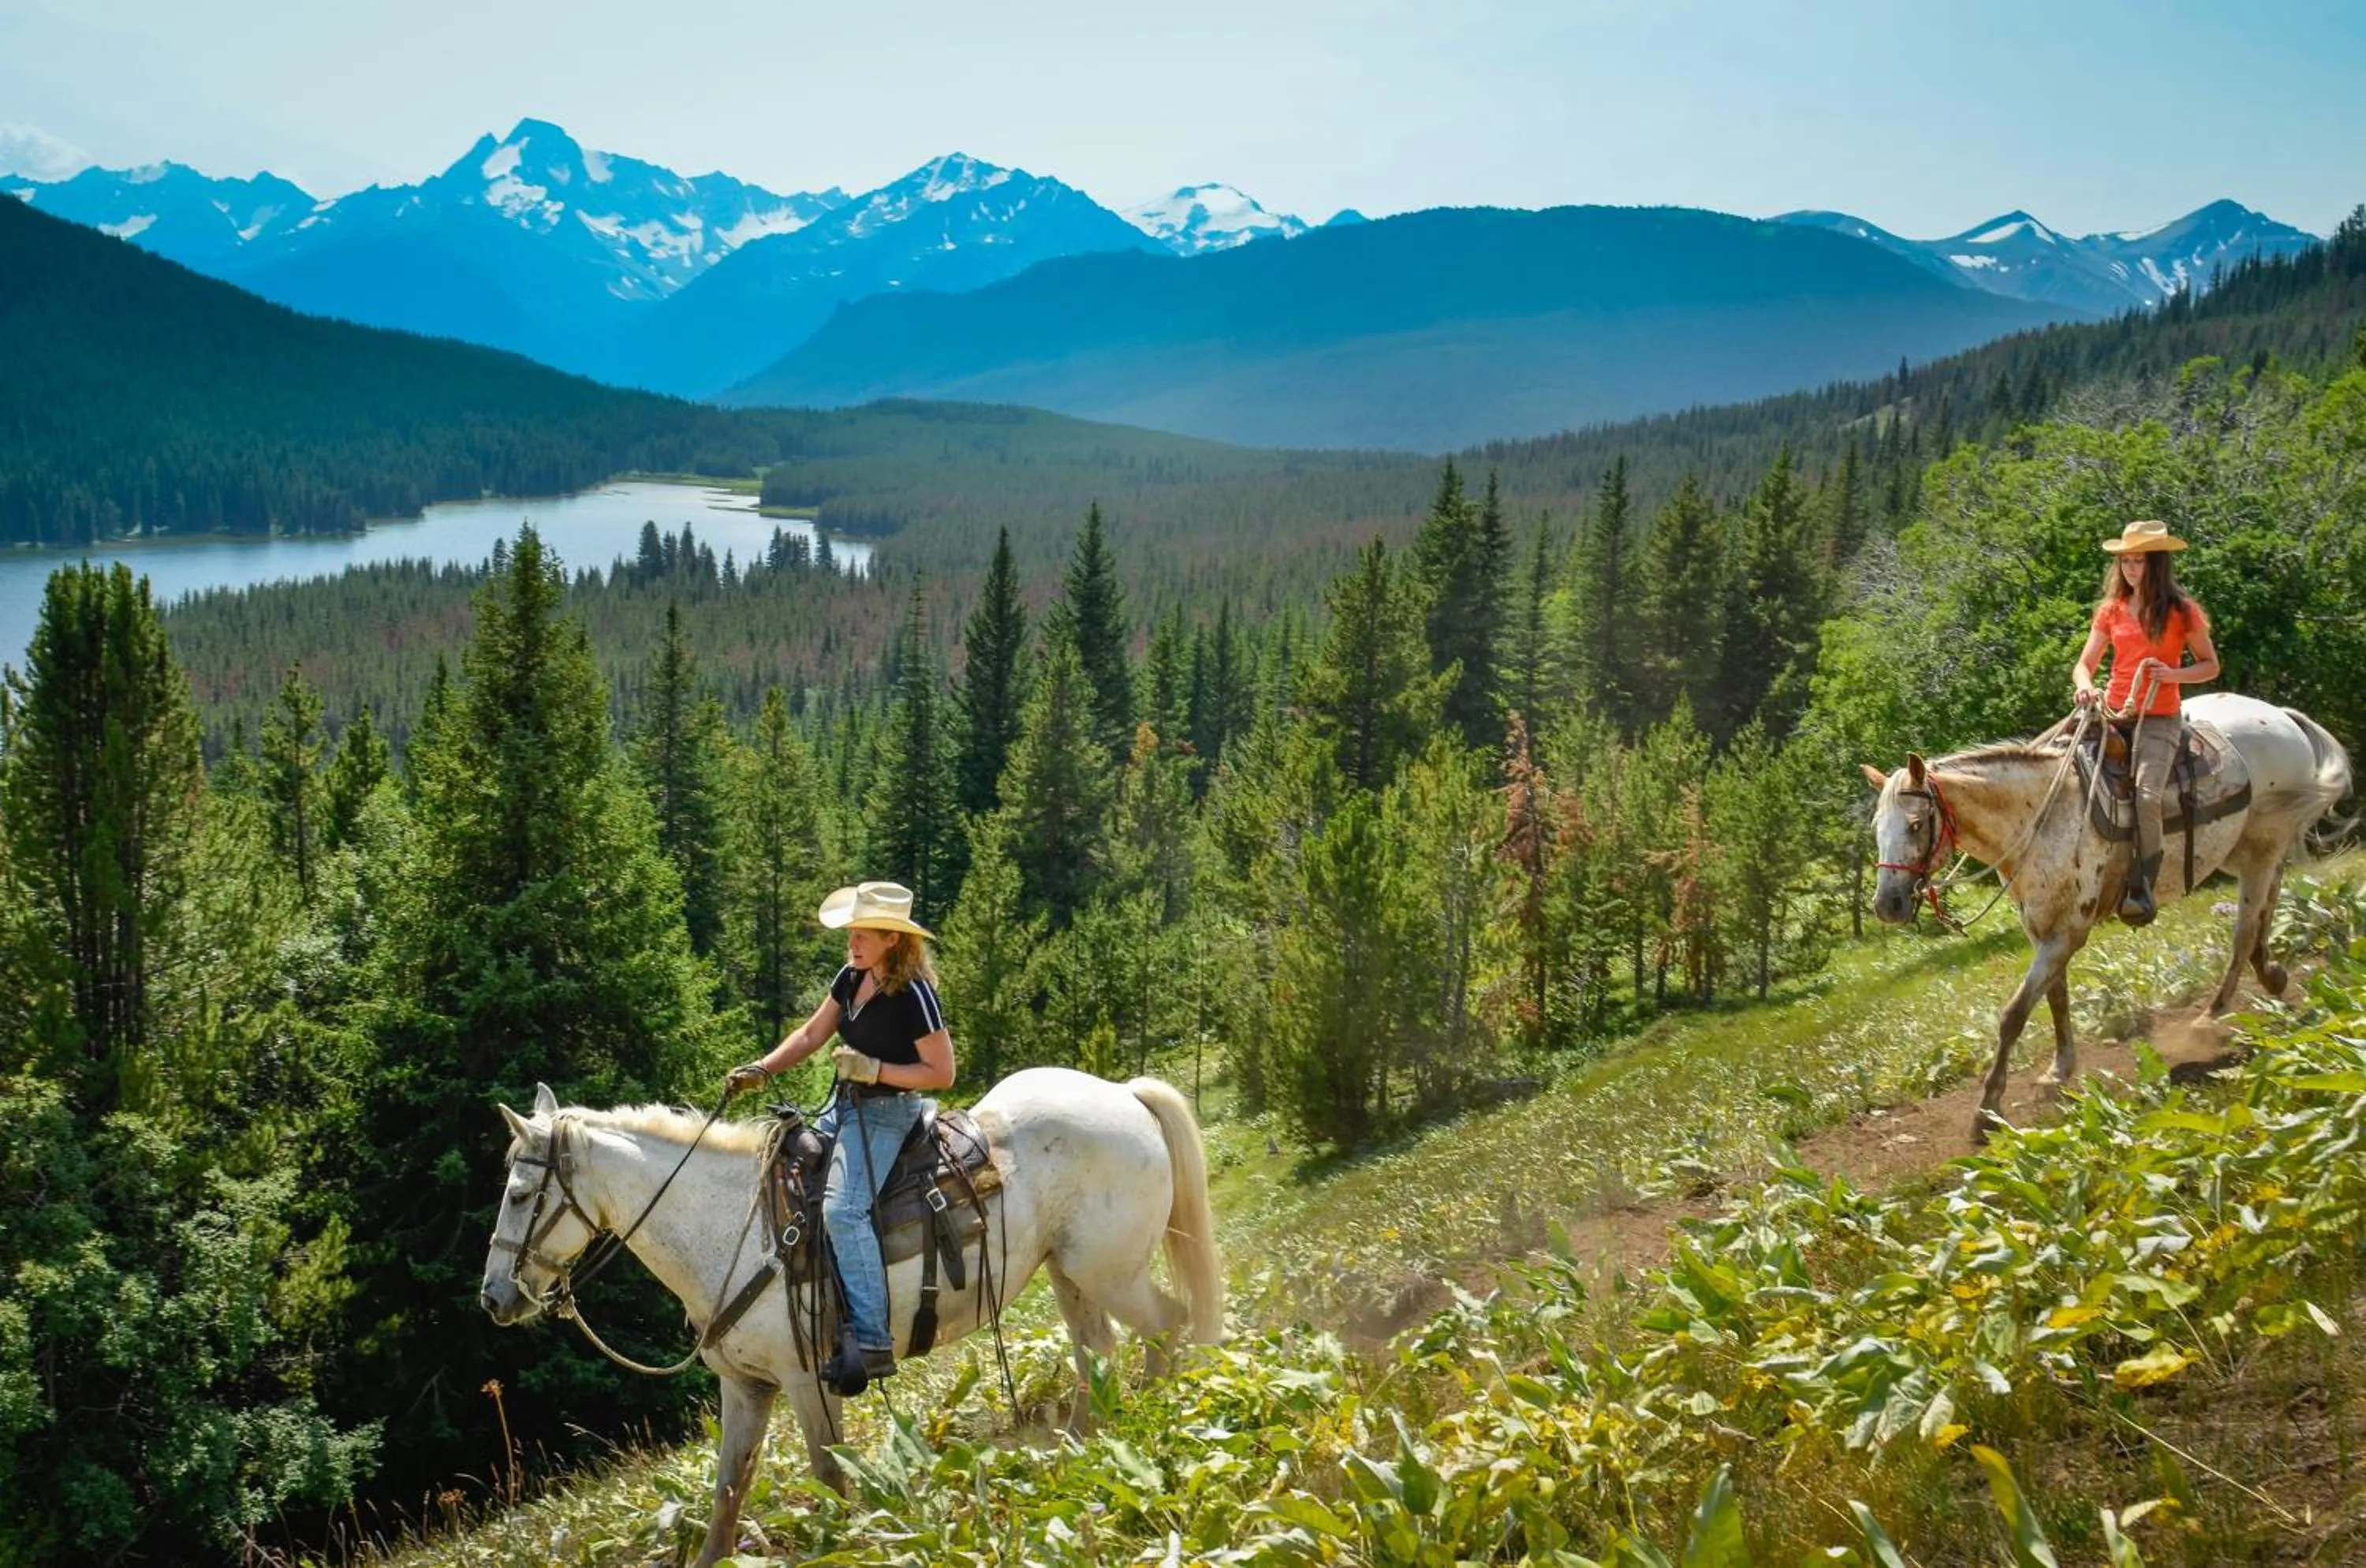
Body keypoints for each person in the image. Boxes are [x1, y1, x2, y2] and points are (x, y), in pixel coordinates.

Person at [724, 880, 954, 1392]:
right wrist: (762, 1069)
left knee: (842, 1210)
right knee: (777, 1162)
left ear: (892, 939)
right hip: (844, 1106)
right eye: (850, 932)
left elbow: (942, 1073)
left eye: (862, 933)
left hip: (888, 1114)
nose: (851, 942)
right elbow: (811, 1034)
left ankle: (873, 1339)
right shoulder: (851, 977)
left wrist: (875, 1070)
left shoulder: (913, 994)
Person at [2071, 519, 2221, 926]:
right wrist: (2086, 688)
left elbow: (2210, 666)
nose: (2131, 569)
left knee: (2147, 796)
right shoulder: (2110, 610)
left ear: (2157, 565)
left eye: (2140, 561)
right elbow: (2084, 666)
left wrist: (2172, 675)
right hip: (2114, 713)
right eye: (2126, 561)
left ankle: (2143, 885)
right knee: (2061, 770)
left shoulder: (2182, 612)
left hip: (2159, 717)